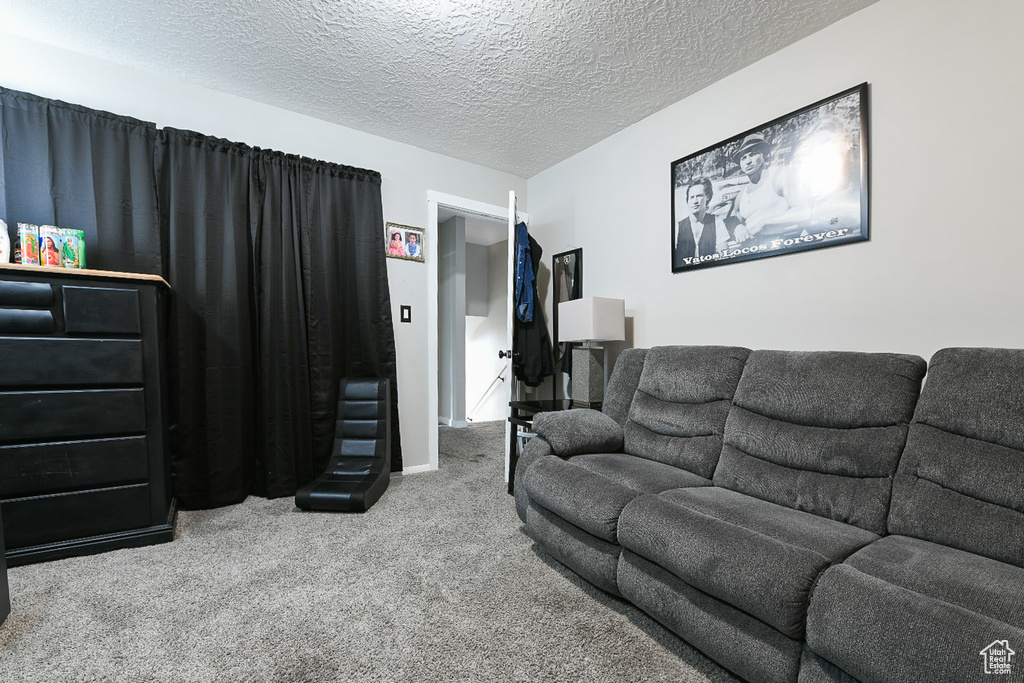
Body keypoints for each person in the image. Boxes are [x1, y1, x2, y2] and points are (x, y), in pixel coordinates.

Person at [727, 133, 791, 241]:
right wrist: (738, 228)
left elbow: (805, 212)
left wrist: (765, 223)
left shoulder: (777, 178)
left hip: (781, 244)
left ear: (763, 154)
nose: (748, 161)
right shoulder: (742, 195)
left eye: (752, 154)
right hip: (753, 250)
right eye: (743, 158)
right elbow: (733, 220)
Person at [674, 177, 729, 269]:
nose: (695, 201)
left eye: (699, 196)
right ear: (688, 200)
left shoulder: (717, 223)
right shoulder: (678, 227)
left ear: (707, 197)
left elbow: (724, 256)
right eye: (692, 197)